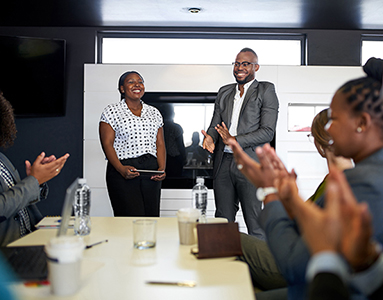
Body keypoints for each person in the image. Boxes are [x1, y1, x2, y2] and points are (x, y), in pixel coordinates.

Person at [228, 57, 383, 299]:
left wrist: (269, 192)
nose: (328, 130)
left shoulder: (364, 182)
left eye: (335, 119)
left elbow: (296, 266)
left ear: (362, 124)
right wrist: (288, 196)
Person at [201, 47, 279, 238]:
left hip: (250, 162)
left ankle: (259, 267)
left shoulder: (266, 89)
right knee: (223, 219)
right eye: (237, 63)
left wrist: (234, 141)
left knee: (254, 221)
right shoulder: (225, 91)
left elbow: (268, 132)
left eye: (245, 64)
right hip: (223, 163)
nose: (239, 67)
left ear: (256, 67)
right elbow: (216, 123)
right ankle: (226, 263)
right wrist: (210, 136)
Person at [0, 91, 69, 247]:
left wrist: (37, 181)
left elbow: (16, 197)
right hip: (10, 254)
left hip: (30, 238)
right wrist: (34, 180)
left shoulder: (2, 159)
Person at [99, 71, 166, 217]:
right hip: (123, 169)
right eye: (131, 82)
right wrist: (120, 169)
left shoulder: (154, 112)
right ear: (122, 89)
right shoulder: (111, 111)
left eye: (140, 81)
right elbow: (107, 143)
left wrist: (161, 168)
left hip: (151, 172)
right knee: (128, 219)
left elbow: (160, 143)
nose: (137, 84)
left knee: (151, 218)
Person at [157, 103, 185, 177]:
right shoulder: (176, 127)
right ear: (172, 113)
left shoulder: (158, 127)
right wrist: (184, 158)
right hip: (174, 159)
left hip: (160, 159)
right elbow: (180, 145)